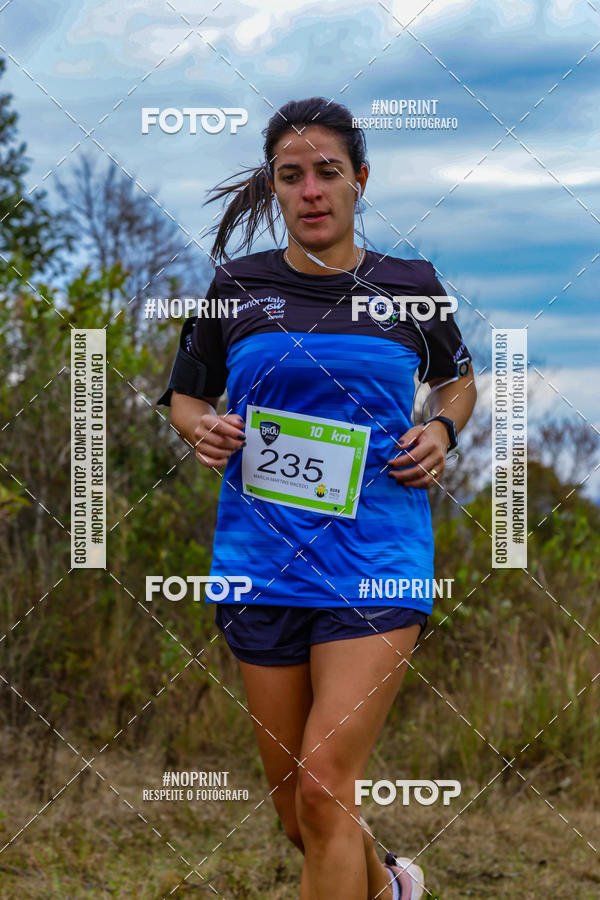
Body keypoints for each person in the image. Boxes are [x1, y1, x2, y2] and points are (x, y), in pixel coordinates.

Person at [158, 97, 476, 900]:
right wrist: (202, 430)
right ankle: (393, 887)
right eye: (291, 176)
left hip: (378, 559)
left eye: (327, 172)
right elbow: (185, 398)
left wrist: (441, 430)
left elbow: (458, 380)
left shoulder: (411, 285)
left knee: (327, 783)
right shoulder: (236, 285)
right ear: (273, 189)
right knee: (301, 814)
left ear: (359, 181)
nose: (310, 190)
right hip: (261, 562)